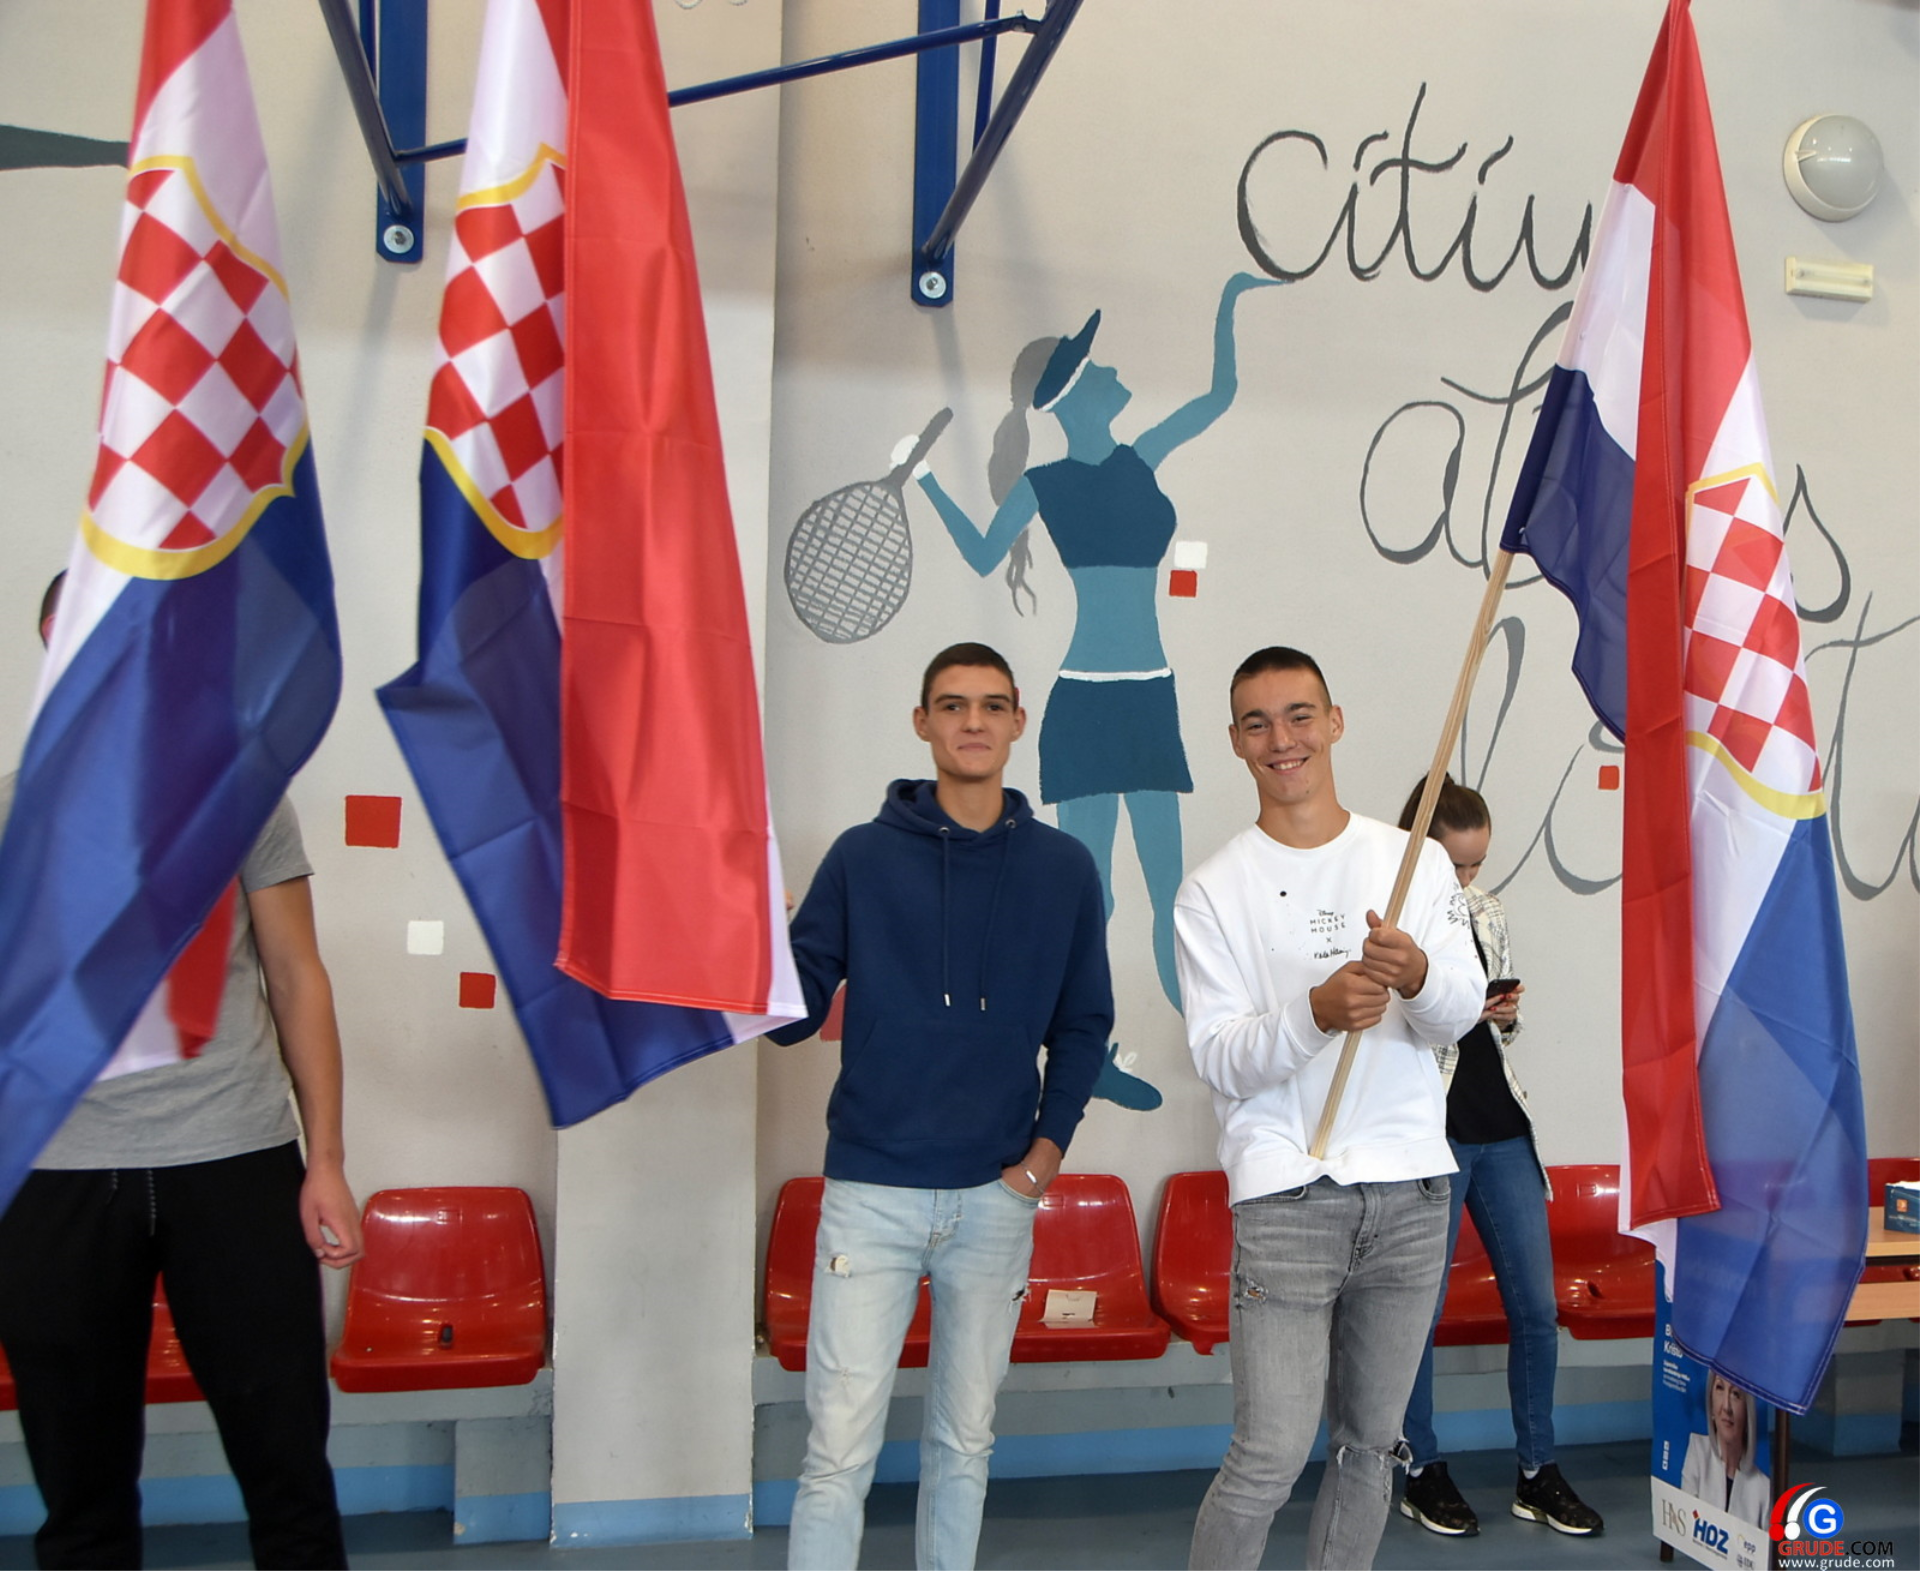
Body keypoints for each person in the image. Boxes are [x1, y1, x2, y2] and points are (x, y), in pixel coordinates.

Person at [0, 571, 364, 1570]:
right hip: (55, 1174)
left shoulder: (241, 792)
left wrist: (327, 1158)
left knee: (289, 1473)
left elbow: (296, 976)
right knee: (81, 1496)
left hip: (234, 1155)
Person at [769, 641, 1112, 1571]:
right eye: (952, 704)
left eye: (992, 704)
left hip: (995, 1199)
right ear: (922, 722)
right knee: (837, 1454)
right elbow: (790, 1023)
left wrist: (1043, 1158)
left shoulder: (1065, 868)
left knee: (964, 1443)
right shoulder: (861, 857)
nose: (972, 721)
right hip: (870, 1194)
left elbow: (1084, 1023)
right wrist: (755, 944)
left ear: (1018, 722)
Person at [915, 277, 1276, 1110]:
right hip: (1085, 700)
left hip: (1147, 695)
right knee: (1094, 894)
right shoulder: (1045, 484)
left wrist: (1227, 300)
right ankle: (1087, 1054)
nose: (1114, 372)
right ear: (1076, 397)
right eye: (1098, 367)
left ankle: (1221, 1049)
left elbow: (1218, 397)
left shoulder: (1138, 455)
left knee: (1170, 889)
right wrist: (926, 478)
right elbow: (982, 553)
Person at [1175, 647, 1484, 1571]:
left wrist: (1418, 974)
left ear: (1335, 722)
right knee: (1268, 1456)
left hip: (1412, 1191)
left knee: (1370, 1449)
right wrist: (1313, 1013)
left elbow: (1459, 1012)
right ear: (1237, 742)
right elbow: (1219, 1056)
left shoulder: (1414, 860)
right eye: (1259, 722)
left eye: (1300, 714)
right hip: (1288, 1194)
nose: (1284, 738)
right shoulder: (1213, 889)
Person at [1395, 776, 1605, 1539]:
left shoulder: (1486, 909)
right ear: (1418, 850)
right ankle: (1419, 1466)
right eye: (1454, 863)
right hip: (1431, 1129)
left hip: (1502, 1122)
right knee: (1416, 1315)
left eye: (1477, 862)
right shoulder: (1388, 920)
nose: (1467, 878)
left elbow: (1500, 1029)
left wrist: (1503, 1012)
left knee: (1537, 1308)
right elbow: (1387, 1036)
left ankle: (1537, 1469)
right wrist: (1454, 1007)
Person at [1680, 1371, 1769, 1528]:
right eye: (1720, 1388)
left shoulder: (1763, 1487)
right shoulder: (1698, 1450)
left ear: (1747, 1412)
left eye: (1735, 1394)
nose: (1726, 1407)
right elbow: (1686, 1523)